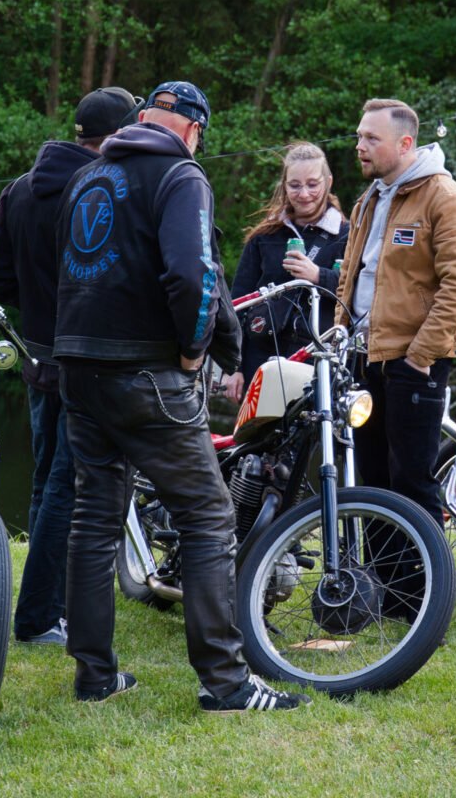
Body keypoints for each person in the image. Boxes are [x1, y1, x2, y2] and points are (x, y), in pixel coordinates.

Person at [54, 80, 310, 712]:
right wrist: (196, 350)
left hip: (77, 364)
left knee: (94, 519)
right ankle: (225, 684)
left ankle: (94, 677)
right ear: (194, 128)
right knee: (208, 516)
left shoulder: (89, 176)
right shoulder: (181, 175)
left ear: (143, 118)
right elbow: (195, 276)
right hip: (145, 371)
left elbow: (70, 267)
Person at [0, 86, 142, 644]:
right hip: (83, 359)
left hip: (36, 357)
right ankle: (37, 618)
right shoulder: (101, 187)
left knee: (48, 482)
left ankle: (45, 606)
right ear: (115, 135)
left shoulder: (18, 189)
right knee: (68, 487)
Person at [336, 97, 456, 525]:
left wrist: (420, 355)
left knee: (412, 484)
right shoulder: (369, 199)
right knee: (374, 485)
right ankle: (387, 592)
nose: (359, 145)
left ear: (405, 144)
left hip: (415, 363)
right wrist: (341, 335)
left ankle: (426, 592)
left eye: (370, 138)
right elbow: (350, 274)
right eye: (359, 136)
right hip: (364, 360)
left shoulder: (447, 198)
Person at [224, 142, 348, 403]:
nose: (304, 194)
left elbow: (359, 295)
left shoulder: (348, 236)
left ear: (328, 182)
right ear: (284, 185)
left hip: (321, 363)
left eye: (313, 184)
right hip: (260, 363)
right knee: (258, 443)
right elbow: (237, 305)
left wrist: (318, 276)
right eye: (295, 185)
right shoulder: (263, 237)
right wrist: (233, 368)